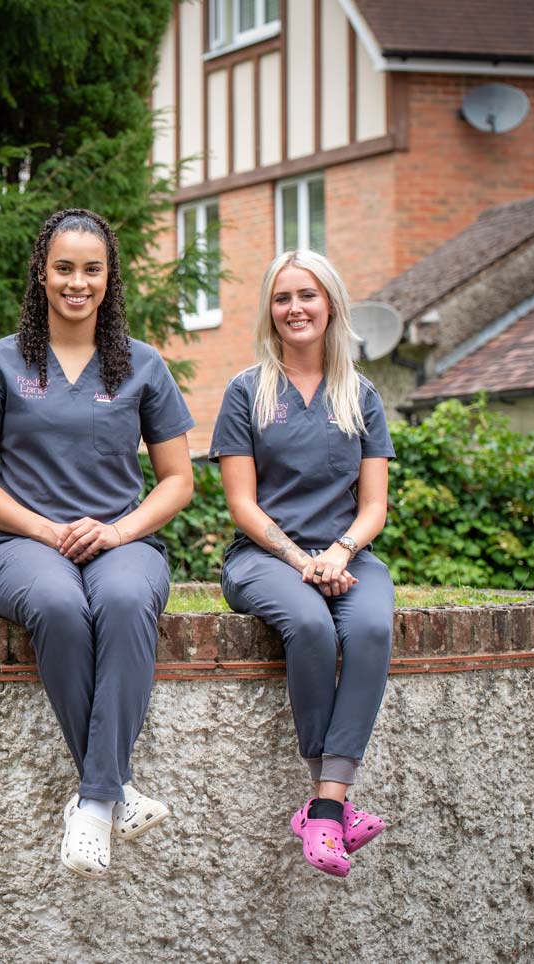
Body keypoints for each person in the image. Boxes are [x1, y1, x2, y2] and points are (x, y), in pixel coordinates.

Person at [0, 209, 195, 879]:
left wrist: (117, 530)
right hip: (21, 544)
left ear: (110, 278)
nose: (76, 282)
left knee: (123, 601)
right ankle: (113, 792)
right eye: (63, 268)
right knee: (59, 605)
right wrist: (42, 529)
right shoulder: (1, 361)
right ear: (41, 272)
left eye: (92, 269)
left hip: (122, 539)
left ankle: (92, 803)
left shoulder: (142, 365)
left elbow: (179, 481)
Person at [209, 249, 394, 878]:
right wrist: (300, 560)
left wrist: (340, 552)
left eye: (307, 295)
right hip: (264, 558)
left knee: (370, 627)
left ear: (331, 304)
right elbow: (242, 505)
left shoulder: (360, 394)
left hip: (348, 555)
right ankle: (332, 810)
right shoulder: (246, 391)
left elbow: (374, 506)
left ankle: (324, 806)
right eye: (282, 297)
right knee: (311, 625)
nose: (295, 308)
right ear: (270, 310)